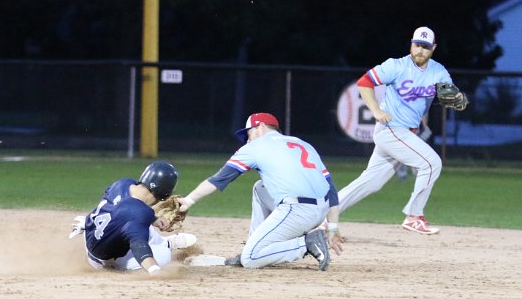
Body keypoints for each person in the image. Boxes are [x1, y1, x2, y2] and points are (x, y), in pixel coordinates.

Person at [336, 26, 466, 235]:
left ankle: (325, 215)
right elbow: (365, 82)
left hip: (405, 134)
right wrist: (376, 110)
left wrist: (457, 99)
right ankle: (414, 216)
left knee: (371, 182)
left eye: (425, 46)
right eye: (417, 45)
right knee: (431, 163)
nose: (420, 50)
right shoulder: (396, 66)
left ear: (433, 48)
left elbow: (450, 96)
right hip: (391, 129)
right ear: (411, 44)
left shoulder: (438, 71)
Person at [176, 112, 342, 270]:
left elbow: (219, 179)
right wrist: (333, 227)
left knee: (249, 258)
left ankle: (306, 243)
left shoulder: (255, 147)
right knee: (259, 188)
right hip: (320, 211)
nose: (248, 140)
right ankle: (255, 243)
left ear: (260, 126)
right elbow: (331, 190)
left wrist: (189, 200)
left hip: (297, 212)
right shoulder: (302, 144)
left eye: (249, 134)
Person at [71, 161, 197, 274]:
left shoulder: (124, 183)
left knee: (139, 224)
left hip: (91, 232)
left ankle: (166, 242)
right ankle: (166, 246)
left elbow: (119, 208)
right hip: (102, 260)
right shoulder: (139, 213)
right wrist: (154, 270)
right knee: (164, 256)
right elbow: (139, 246)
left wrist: (154, 218)